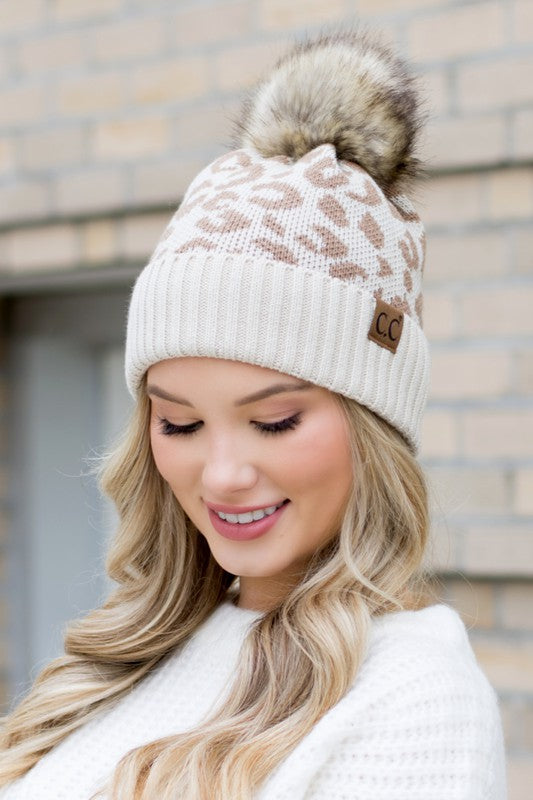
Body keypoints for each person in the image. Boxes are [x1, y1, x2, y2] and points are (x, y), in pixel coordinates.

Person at [0, 26, 506, 800]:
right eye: (179, 425)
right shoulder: (130, 657)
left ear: (372, 429)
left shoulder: (411, 689)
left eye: (273, 422)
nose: (224, 475)